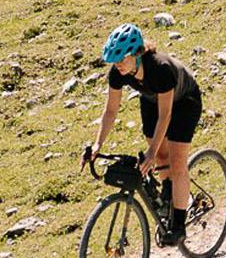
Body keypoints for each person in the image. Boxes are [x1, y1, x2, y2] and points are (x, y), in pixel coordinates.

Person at [82, 23, 203, 245]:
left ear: (137, 54)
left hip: (184, 101)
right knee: (159, 158)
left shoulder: (160, 68)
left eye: (122, 59)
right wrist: (97, 144)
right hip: (151, 100)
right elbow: (110, 111)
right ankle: (168, 193)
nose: (118, 65)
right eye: (115, 61)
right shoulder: (119, 73)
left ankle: (178, 225)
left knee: (176, 161)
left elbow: (165, 116)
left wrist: (150, 150)